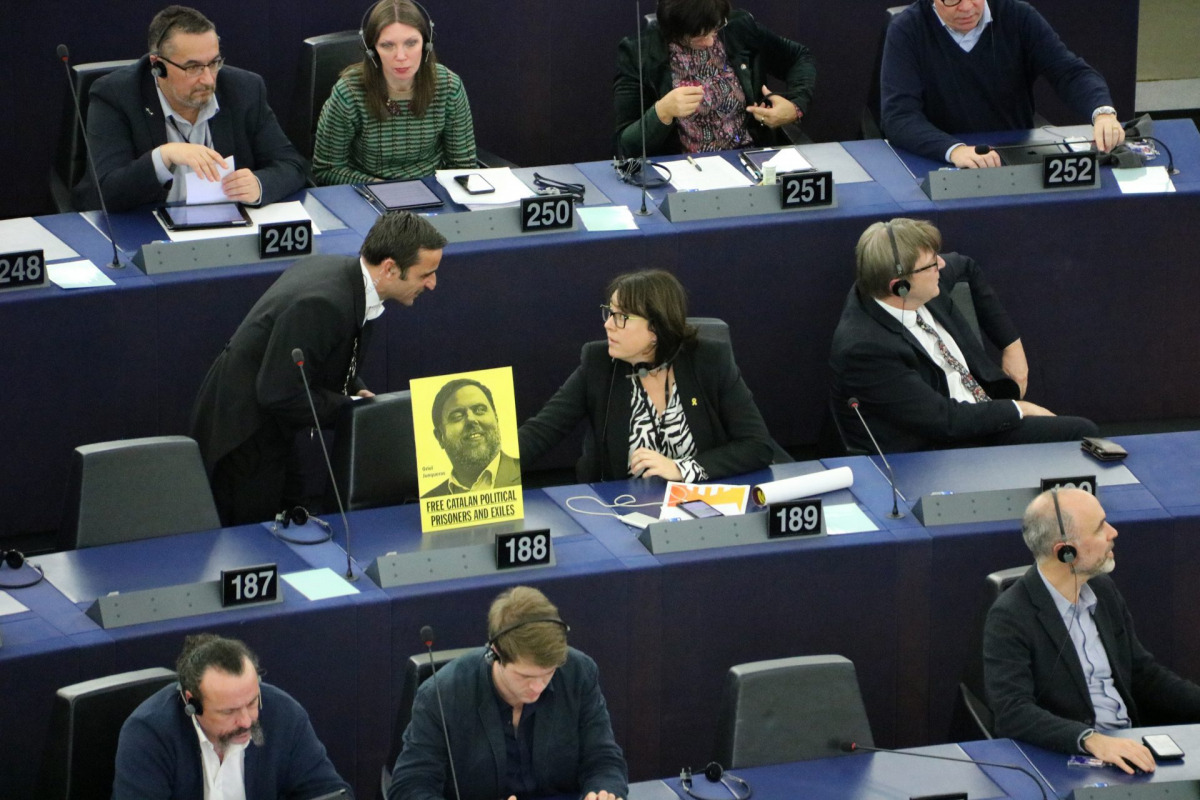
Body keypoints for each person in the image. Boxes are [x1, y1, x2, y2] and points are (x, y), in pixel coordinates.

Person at [190, 210, 446, 526]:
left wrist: (354, 387)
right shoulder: (324, 303)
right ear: (390, 268)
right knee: (255, 539)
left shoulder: (346, 277)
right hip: (243, 435)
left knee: (298, 514)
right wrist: (352, 408)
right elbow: (278, 392)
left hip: (271, 429)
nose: (432, 284)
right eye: (425, 274)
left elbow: (321, 357)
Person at [830, 218, 1097, 453]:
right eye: (932, 264)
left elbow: (966, 266)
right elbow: (943, 420)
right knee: (1080, 435)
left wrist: (1011, 344)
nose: (942, 264)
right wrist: (1019, 409)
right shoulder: (865, 349)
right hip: (941, 445)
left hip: (975, 409)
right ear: (899, 286)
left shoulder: (905, 284)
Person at [984, 489, 1200, 772]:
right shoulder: (1010, 616)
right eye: (1099, 528)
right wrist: (1090, 739)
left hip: (1129, 746)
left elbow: (1143, 675)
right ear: (1066, 552)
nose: (1113, 532)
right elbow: (1013, 711)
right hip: (1071, 759)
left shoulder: (1102, 589)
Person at [519, 270, 774, 482]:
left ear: (655, 328)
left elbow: (757, 445)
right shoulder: (599, 364)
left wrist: (681, 468)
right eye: (609, 312)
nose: (608, 324)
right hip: (620, 506)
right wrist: (495, 468)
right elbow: (541, 432)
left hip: (700, 505)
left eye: (621, 317)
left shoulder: (708, 361)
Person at [389, 586, 628, 800]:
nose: (538, 687)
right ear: (495, 654)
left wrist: (603, 791)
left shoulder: (579, 673)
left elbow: (603, 759)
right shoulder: (441, 695)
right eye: (525, 676)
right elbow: (410, 787)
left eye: (548, 673)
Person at [73, 5, 306, 212]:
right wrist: (163, 157)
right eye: (193, 67)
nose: (208, 79)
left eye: (214, 63)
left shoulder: (245, 89)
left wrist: (259, 185)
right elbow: (107, 191)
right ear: (157, 66)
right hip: (145, 228)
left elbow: (293, 165)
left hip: (226, 227)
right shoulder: (116, 95)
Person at [880, 0, 1125, 167]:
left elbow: (1069, 72)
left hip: (1014, 150)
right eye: (952, 0)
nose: (966, 7)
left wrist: (1102, 112)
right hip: (938, 156)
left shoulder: (1018, 15)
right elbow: (899, 116)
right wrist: (955, 150)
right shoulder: (907, 30)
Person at [113, 633, 352, 798]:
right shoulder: (148, 734)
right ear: (191, 702)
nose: (246, 721)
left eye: (252, 702)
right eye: (228, 711)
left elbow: (330, 792)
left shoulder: (285, 715)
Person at [613, 0, 816, 157]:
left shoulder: (739, 28)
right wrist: (662, 112)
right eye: (699, 36)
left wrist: (795, 106)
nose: (710, 41)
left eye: (715, 29)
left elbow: (799, 57)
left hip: (751, 157)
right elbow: (625, 145)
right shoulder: (639, 53)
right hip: (685, 169)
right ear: (675, 31)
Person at [313, 0, 476, 185]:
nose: (400, 56)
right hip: (368, 191)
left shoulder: (448, 85)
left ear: (426, 43)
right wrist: (382, 188)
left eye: (411, 43)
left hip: (432, 188)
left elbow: (463, 166)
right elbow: (327, 169)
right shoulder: (349, 92)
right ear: (372, 50)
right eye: (387, 45)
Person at [422, 378, 521, 498]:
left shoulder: (527, 473)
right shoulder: (428, 500)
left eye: (480, 410)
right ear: (439, 437)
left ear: (496, 419)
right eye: (457, 416)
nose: (471, 419)